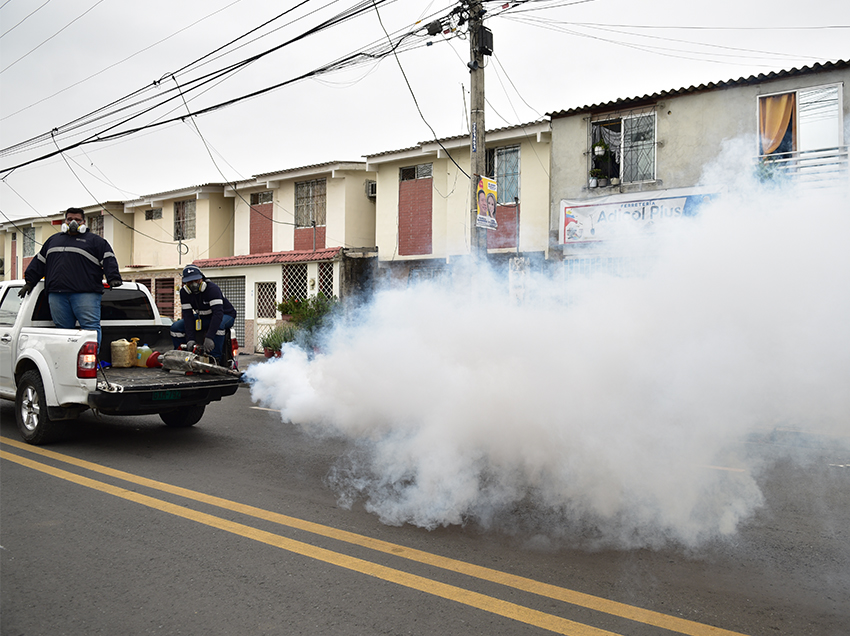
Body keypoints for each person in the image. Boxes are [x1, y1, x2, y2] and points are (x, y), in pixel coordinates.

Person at [19, 207, 122, 348]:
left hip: (85, 293)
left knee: (90, 329)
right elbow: (39, 262)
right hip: (57, 294)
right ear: (65, 221)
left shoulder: (95, 241)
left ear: (84, 222)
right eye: (70, 219)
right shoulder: (53, 241)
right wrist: (30, 282)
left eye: (77, 220)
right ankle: (69, 365)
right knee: (63, 332)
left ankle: (90, 366)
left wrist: (113, 277)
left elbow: (109, 259)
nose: (73, 222)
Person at [170, 265, 237, 363]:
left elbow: (218, 314)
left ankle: (215, 359)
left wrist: (209, 337)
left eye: (196, 280)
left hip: (225, 315)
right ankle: (182, 356)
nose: (193, 284)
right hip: (203, 317)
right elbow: (188, 316)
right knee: (176, 327)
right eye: (190, 282)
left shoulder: (212, 289)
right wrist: (190, 339)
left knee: (219, 325)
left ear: (201, 279)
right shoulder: (184, 293)